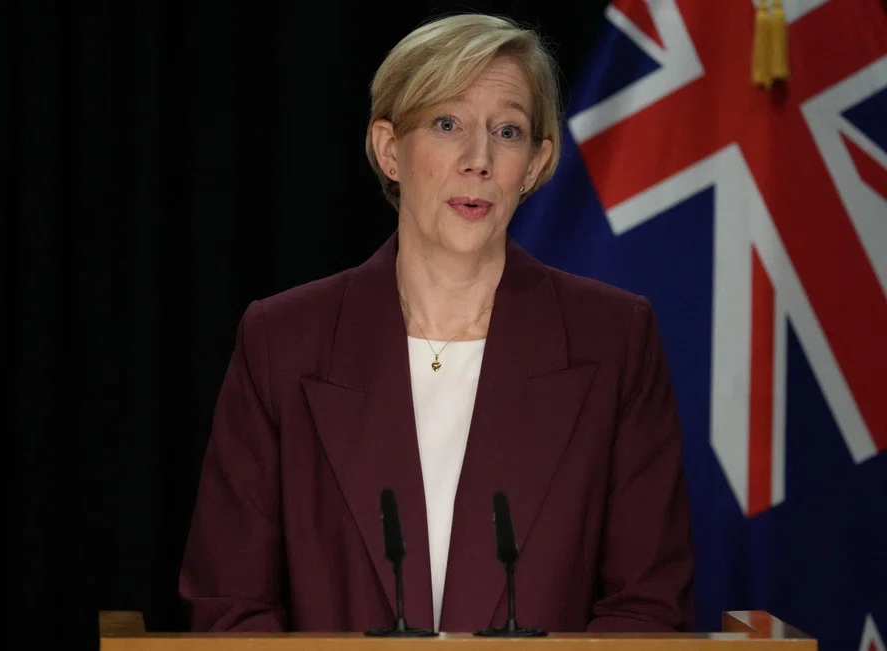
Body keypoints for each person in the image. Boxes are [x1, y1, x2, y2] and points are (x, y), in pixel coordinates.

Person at [178, 12, 695, 634]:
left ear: (534, 165)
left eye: (507, 131)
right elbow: (229, 606)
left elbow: (647, 606)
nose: (478, 159)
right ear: (390, 149)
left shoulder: (614, 341)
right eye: (447, 124)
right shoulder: (283, 342)